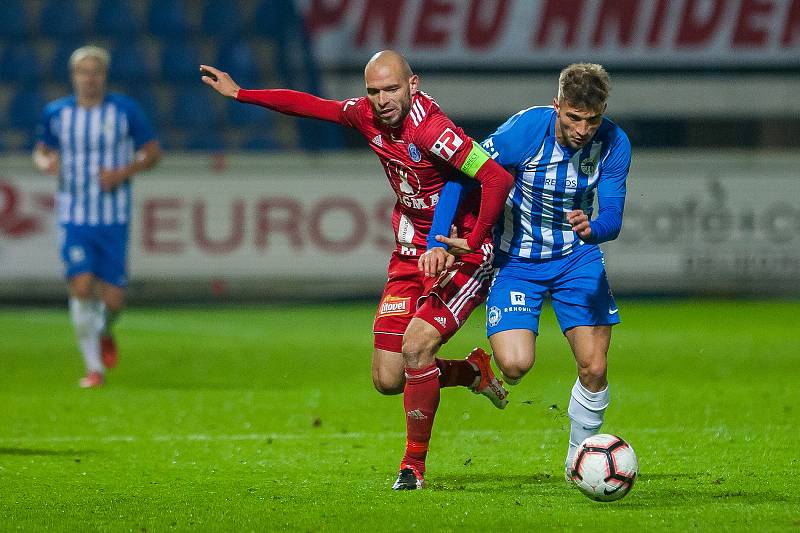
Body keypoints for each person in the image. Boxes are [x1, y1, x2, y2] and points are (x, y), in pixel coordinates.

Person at [199, 50, 514, 490]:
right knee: (388, 378)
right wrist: (241, 94)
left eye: (391, 89)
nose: (382, 99)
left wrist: (471, 242)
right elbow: (313, 106)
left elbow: (496, 178)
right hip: (410, 251)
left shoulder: (432, 130)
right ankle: (471, 372)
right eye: (374, 91)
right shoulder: (366, 115)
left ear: (413, 85)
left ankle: (413, 467)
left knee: (417, 346)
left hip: (459, 253)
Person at [427, 63, 631, 478]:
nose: (582, 129)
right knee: (516, 365)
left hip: (578, 258)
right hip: (517, 261)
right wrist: (435, 239)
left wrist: (595, 228)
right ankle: (480, 370)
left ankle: (578, 459)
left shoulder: (614, 142)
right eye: (573, 118)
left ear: (603, 111)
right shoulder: (526, 131)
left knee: (595, 367)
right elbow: (460, 174)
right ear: (557, 106)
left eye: (592, 120)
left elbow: (612, 213)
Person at [33, 45, 162, 389]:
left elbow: (152, 152)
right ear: (73, 76)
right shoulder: (56, 113)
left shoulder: (124, 111)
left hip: (113, 216)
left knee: (114, 300)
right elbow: (41, 151)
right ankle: (94, 370)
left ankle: (104, 329)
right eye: (83, 72)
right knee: (80, 285)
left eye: (96, 72)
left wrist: (123, 172)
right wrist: (46, 164)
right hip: (73, 215)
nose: (90, 79)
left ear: (104, 76)